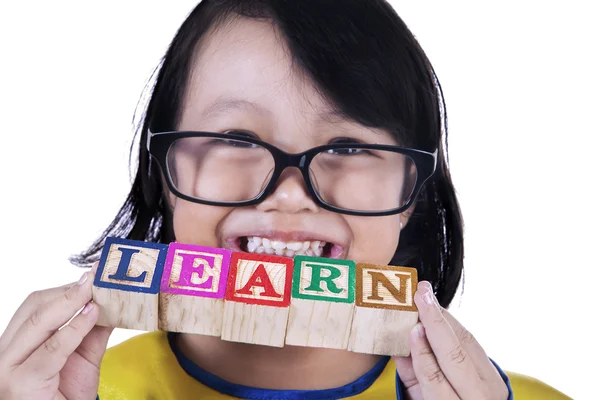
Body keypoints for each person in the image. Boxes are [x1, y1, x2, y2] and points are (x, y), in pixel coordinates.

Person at [0, 1, 571, 399]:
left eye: (348, 145)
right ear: (164, 172)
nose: (290, 194)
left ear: (411, 194)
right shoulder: (51, 390)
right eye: (236, 140)